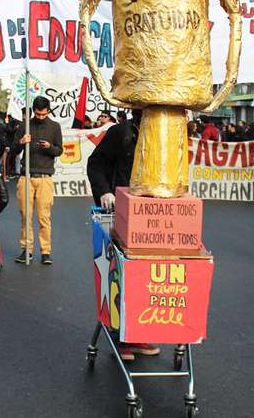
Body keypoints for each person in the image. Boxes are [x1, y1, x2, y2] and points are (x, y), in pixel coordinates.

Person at [86, 109, 160, 361]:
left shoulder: (165, 135)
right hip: (121, 211)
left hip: (153, 214)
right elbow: (95, 164)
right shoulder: (120, 132)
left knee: (148, 275)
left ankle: (138, 332)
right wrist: (105, 191)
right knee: (121, 273)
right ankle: (123, 336)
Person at [11, 96, 63, 264]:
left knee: (44, 217)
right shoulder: (24, 126)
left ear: (48, 111)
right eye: (38, 114)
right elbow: (12, 150)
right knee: (26, 216)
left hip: (45, 177)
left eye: (44, 114)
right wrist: (21, 142)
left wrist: (50, 147)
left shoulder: (55, 127)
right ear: (33, 111)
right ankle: (27, 250)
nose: (40, 117)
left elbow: (59, 150)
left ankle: (46, 251)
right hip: (26, 177)